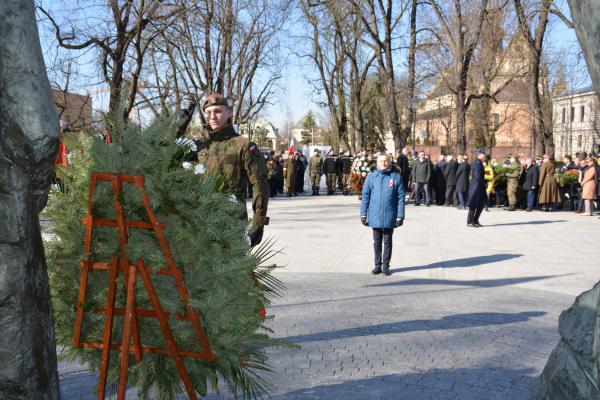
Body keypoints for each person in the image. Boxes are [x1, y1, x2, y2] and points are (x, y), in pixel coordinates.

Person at [202, 92, 269, 246]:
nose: (212, 116)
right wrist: (181, 123)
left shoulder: (243, 145)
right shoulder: (201, 147)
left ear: (229, 113)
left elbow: (260, 184)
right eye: (209, 112)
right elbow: (167, 153)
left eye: (218, 111)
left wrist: (259, 223)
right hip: (202, 224)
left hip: (232, 223)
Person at [360, 152, 406, 276]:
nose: (383, 163)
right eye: (381, 161)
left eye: (386, 160)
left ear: (390, 161)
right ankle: (377, 265)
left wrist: (400, 215)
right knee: (377, 242)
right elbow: (365, 195)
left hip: (390, 215)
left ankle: (386, 266)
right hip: (375, 215)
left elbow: (401, 197)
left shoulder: (396, 177)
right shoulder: (371, 177)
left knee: (388, 242)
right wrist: (363, 213)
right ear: (377, 162)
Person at [467, 149, 487, 227]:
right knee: (473, 204)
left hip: (480, 186)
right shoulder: (477, 163)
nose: (484, 155)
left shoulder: (479, 163)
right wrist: (485, 181)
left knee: (481, 204)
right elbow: (478, 176)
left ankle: (475, 220)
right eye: (483, 154)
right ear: (480, 155)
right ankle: (469, 222)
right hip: (476, 187)